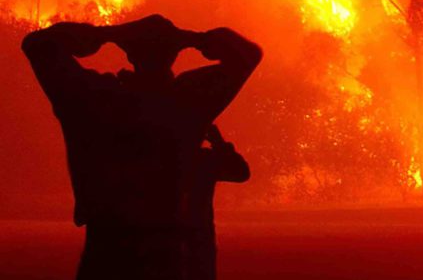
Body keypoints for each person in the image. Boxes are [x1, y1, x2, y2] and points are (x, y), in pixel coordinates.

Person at [21, 15, 261, 280]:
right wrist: (192, 38)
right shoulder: (186, 104)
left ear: (130, 54)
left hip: (107, 247)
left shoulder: (93, 99)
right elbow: (247, 55)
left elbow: (38, 45)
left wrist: (110, 33)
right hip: (168, 252)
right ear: (173, 55)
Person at [185, 124, 250, 280]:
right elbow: (240, 172)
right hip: (198, 234)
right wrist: (220, 144)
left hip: (161, 235)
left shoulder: (154, 159)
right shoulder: (204, 161)